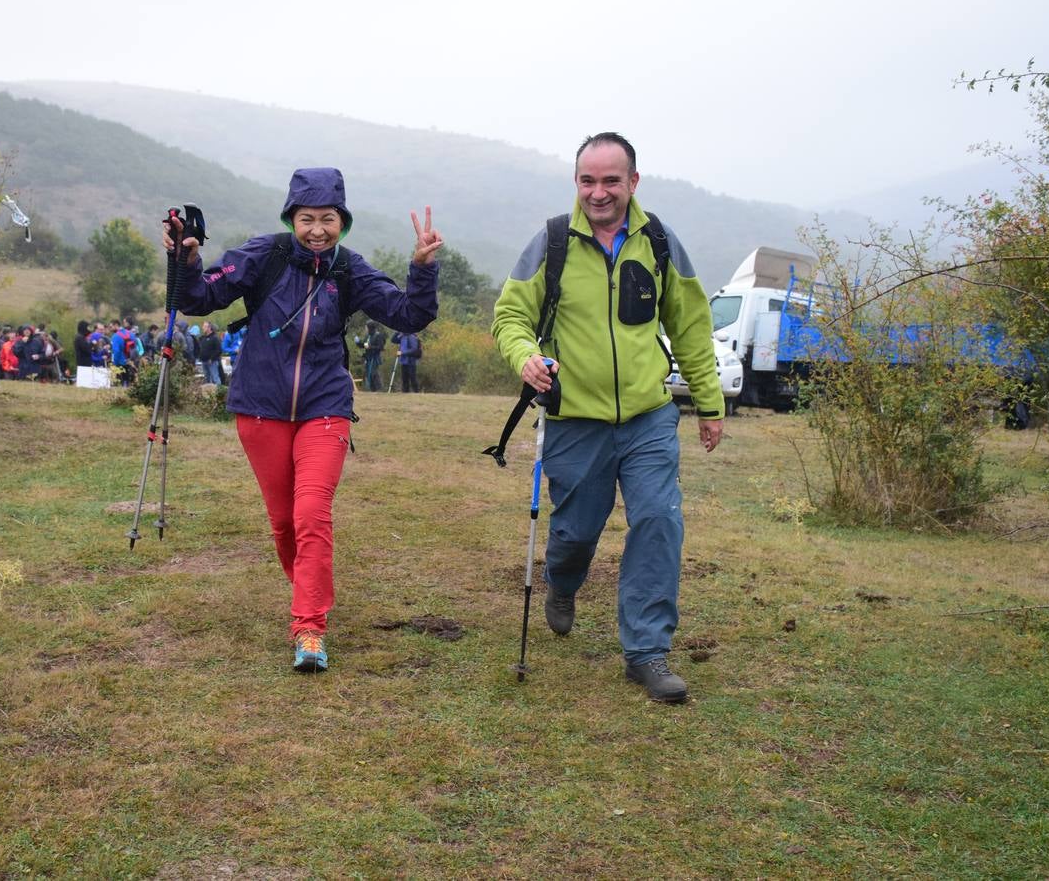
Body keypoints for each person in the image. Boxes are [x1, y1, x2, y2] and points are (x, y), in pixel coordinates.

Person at [165, 167, 442, 673]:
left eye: (328, 219)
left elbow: (410, 316)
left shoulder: (349, 270)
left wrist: (422, 267)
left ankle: (309, 627)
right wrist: (185, 258)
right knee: (284, 523)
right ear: (291, 218)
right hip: (260, 410)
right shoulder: (262, 255)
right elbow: (196, 299)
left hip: (326, 407)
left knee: (312, 513)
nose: (317, 229)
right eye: (307, 219)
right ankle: (310, 589)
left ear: (343, 221)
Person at [491, 132, 724, 703]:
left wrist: (709, 402)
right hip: (576, 420)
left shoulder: (660, 243)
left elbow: (690, 327)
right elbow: (510, 316)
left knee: (658, 521)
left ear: (633, 183)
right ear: (577, 183)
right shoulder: (551, 243)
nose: (599, 192)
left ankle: (646, 653)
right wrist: (526, 357)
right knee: (575, 533)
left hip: (648, 417)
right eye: (588, 181)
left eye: (611, 181)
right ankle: (562, 580)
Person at [358, 321, 387, 391]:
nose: (365, 329)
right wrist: (359, 343)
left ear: (370, 328)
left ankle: (379, 390)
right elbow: (365, 345)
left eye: (366, 327)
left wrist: (370, 347)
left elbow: (381, 347)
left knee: (374, 373)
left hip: (375, 358)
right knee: (369, 375)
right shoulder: (368, 336)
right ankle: (372, 391)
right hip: (368, 358)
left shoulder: (378, 335)